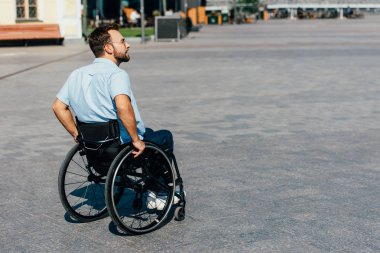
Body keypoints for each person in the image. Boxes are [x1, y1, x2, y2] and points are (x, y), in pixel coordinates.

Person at [52, 23, 174, 159]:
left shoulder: (77, 74)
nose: (128, 45)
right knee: (165, 136)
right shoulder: (116, 75)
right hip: (119, 147)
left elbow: (58, 107)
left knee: (148, 132)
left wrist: (77, 134)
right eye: (122, 41)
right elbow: (122, 107)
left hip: (93, 146)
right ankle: (159, 180)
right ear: (108, 48)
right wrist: (135, 140)